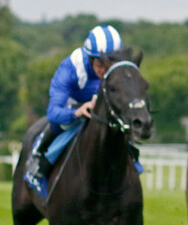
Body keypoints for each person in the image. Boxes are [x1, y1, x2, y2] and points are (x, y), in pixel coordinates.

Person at [28, 25, 123, 178]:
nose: (105, 70)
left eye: (110, 63)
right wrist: (77, 111)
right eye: (100, 64)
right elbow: (53, 112)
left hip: (101, 112)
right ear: (90, 58)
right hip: (72, 107)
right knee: (64, 124)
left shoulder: (121, 70)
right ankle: (40, 156)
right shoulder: (71, 67)